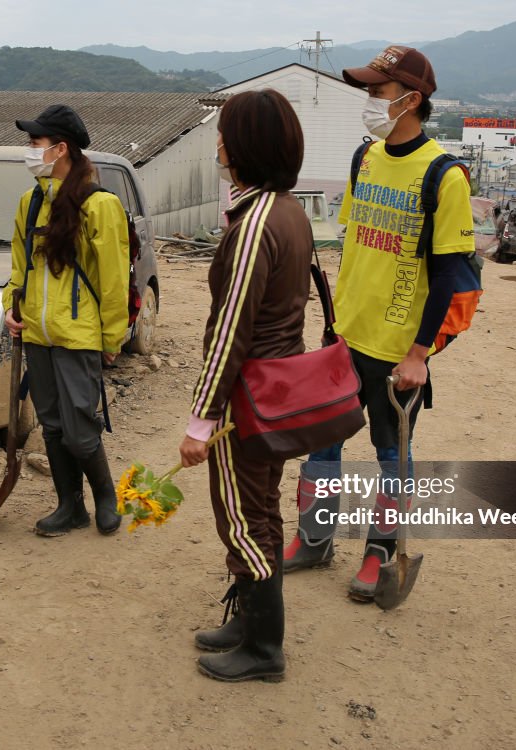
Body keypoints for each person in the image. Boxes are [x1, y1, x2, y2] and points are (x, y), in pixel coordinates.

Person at [281, 46, 475, 602]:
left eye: (377, 91)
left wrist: (418, 354)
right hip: (346, 336)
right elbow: (358, 245)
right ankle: (314, 539)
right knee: (323, 442)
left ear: (411, 100)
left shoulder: (444, 175)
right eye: (368, 90)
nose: (369, 100)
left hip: (396, 352)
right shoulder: (364, 159)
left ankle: (379, 551)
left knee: (392, 456)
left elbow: (446, 276)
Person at [178, 90, 311, 683]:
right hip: (277, 391)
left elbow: (230, 332)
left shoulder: (255, 223)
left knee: (241, 518)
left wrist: (200, 421)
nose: (219, 145)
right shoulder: (287, 209)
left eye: (226, 134)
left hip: (247, 399)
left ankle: (264, 647)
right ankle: (246, 620)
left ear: (247, 145)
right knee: (262, 508)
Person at [2, 104, 129, 537]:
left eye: (35, 144)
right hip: (37, 334)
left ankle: (106, 499)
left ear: (61, 149)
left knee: (79, 427)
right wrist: (9, 307)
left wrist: (112, 337)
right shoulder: (30, 201)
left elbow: (113, 280)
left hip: (78, 334)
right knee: (52, 426)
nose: (29, 151)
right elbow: (19, 266)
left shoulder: (100, 205)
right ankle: (69, 506)